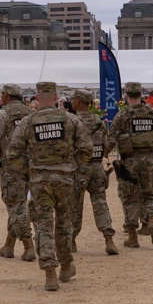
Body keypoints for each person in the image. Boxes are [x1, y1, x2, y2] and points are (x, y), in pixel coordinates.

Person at [6, 81, 92, 292]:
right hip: (65, 178)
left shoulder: (28, 122)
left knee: (43, 225)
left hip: (39, 179)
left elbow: (12, 153)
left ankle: (49, 272)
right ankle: (65, 265)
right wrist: (72, 165)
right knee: (64, 223)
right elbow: (86, 149)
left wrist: (30, 168)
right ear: (55, 97)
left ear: (37, 97)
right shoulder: (70, 120)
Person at [108, 82, 153, 248]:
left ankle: (132, 236)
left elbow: (111, 138)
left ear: (126, 96)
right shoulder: (152, 112)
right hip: (149, 160)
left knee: (129, 196)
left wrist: (102, 154)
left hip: (129, 161)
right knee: (149, 193)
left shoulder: (123, 114)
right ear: (140, 95)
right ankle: (151, 220)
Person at [0, 84, 35, 261]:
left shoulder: (2, 115)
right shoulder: (31, 113)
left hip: (12, 166)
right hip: (31, 164)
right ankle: (9, 245)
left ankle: (29, 246)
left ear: (5, 96)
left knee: (15, 205)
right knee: (18, 204)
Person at [68, 89, 118, 255]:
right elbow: (108, 142)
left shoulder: (73, 121)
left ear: (79, 102)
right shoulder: (98, 120)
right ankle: (108, 238)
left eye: (74, 98)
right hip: (97, 167)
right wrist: (101, 153)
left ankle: (72, 240)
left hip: (79, 168)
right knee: (100, 203)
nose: (71, 101)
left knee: (75, 205)